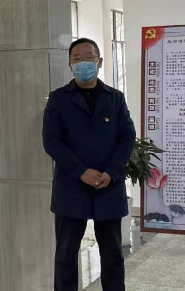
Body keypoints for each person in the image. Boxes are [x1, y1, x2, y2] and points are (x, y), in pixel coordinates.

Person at [43, 38, 136, 291]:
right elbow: (51, 142)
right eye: (77, 58)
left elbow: (127, 137)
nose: (83, 62)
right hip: (71, 186)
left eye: (88, 57)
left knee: (113, 255)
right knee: (65, 256)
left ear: (99, 61)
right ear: (70, 64)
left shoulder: (115, 98)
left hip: (108, 185)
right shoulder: (58, 99)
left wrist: (112, 172)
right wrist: (81, 171)